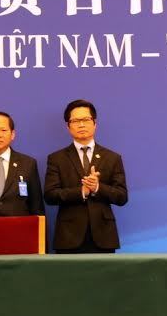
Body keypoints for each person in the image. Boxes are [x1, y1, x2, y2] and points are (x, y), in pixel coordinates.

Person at [43, 99, 128, 253]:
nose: (81, 125)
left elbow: (122, 197)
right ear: (68, 126)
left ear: (95, 123)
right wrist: (81, 191)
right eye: (75, 121)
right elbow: (50, 196)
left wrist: (97, 187)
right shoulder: (56, 158)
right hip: (68, 237)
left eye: (86, 120)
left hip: (104, 237)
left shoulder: (112, 158)